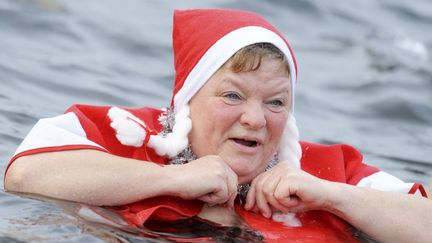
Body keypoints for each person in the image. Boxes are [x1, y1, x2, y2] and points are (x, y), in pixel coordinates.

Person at [4, 9, 431, 242]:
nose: (256, 118)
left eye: (276, 102)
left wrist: (334, 196)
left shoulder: (325, 174)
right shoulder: (129, 135)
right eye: (232, 95)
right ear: (188, 99)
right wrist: (173, 178)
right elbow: (24, 173)